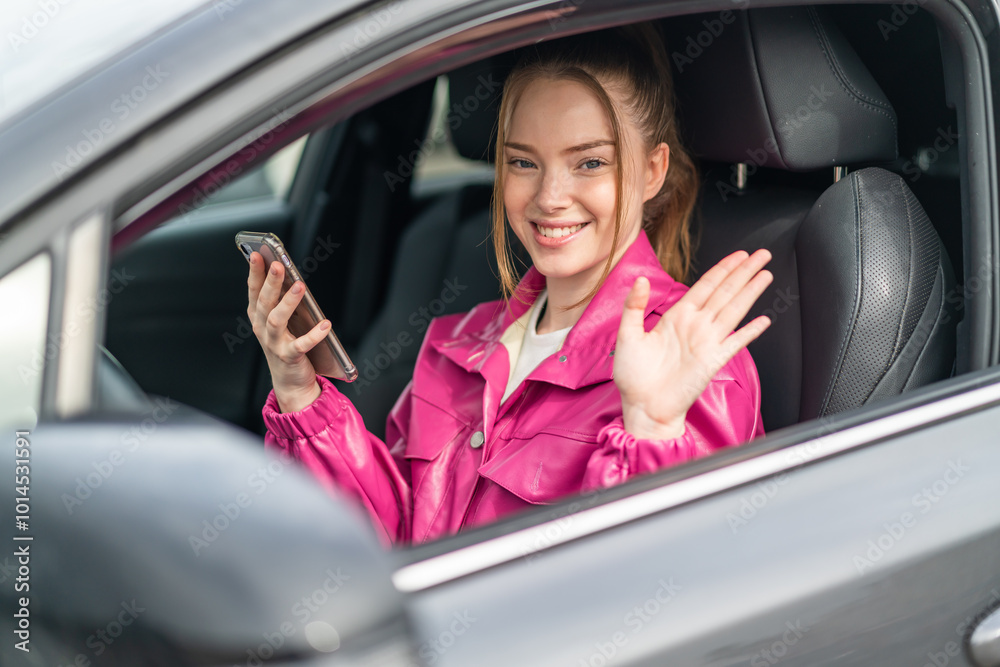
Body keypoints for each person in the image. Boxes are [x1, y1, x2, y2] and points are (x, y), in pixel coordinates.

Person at [246, 23, 772, 546]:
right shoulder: (457, 344)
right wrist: (300, 395)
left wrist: (651, 432)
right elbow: (395, 538)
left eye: (589, 163)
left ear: (652, 170)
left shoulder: (692, 362)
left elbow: (669, 593)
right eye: (523, 162)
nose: (550, 196)